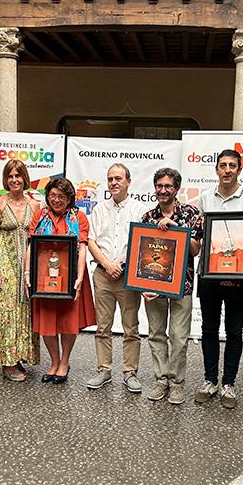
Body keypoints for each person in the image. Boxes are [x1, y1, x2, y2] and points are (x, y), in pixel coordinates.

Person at [195, 149, 243, 409]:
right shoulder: (204, 198)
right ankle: (209, 380)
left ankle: (229, 384)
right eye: (222, 165)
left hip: (238, 276)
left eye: (232, 166)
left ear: (240, 170)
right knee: (208, 329)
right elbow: (200, 238)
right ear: (216, 170)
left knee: (234, 331)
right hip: (209, 274)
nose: (227, 170)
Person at [142, 168, 203, 405]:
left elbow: (196, 250)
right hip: (153, 285)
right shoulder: (147, 217)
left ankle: (177, 384)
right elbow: (142, 254)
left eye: (168, 186)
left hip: (183, 286)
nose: (163, 190)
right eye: (159, 186)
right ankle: (161, 381)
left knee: (179, 337)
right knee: (156, 334)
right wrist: (142, 285)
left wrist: (176, 228)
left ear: (176, 188)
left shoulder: (191, 213)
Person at [86, 163, 148, 393]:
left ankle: (130, 372)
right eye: (110, 179)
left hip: (127, 276)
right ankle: (104, 369)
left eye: (118, 179)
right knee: (103, 326)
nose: (114, 183)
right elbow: (91, 240)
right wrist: (107, 264)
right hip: (102, 274)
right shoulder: (99, 209)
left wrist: (120, 264)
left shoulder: (140, 210)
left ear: (128, 182)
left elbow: (139, 241)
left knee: (131, 326)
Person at [28, 177, 95, 384]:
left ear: (69, 198)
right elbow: (31, 245)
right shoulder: (40, 215)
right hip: (43, 279)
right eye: (53, 195)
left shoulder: (79, 217)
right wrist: (26, 274)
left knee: (68, 323)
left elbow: (83, 247)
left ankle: (64, 362)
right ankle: (54, 362)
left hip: (70, 279)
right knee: (47, 323)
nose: (56, 200)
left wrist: (80, 277)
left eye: (62, 196)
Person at [0, 159, 40, 381]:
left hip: (28, 264)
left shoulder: (35, 205)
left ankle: (19, 356)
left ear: (25, 178)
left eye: (18, 175)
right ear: (5, 179)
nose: (14, 180)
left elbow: (38, 238)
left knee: (24, 309)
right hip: (5, 263)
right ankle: (7, 362)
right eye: (10, 176)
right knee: (6, 310)